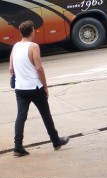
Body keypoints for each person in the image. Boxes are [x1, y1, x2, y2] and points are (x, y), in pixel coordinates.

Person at [9, 20, 69, 157]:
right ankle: (56, 141)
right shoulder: (34, 46)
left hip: (20, 88)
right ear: (32, 31)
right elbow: (39, 68)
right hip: (35, 87)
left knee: (21, 116)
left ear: (20, 32)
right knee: (45, 114)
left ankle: (17, 146)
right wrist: (45, 86)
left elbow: (11, 69)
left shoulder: (15, 46)